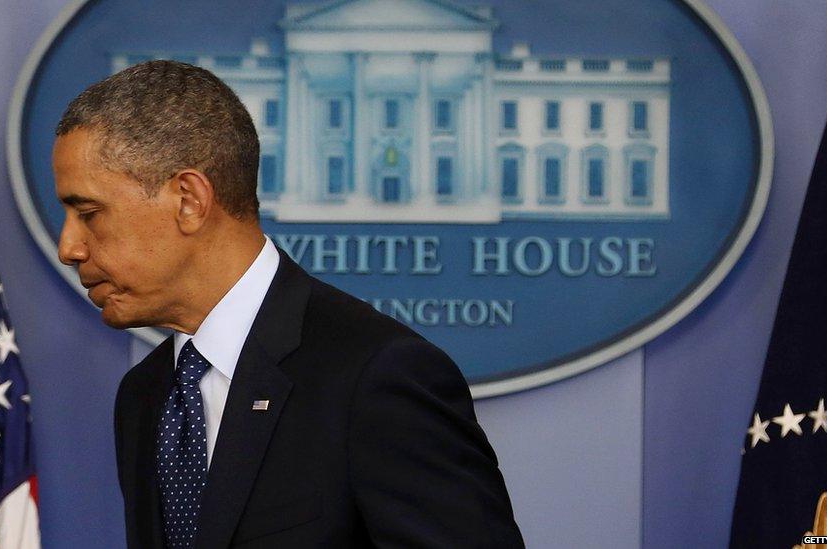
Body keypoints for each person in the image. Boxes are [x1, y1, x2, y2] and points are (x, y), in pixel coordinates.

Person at [51, 60, 524, 549]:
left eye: (88, 214)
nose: (69, 247)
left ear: (189, 200)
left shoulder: (376, 377)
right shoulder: (145, 394)